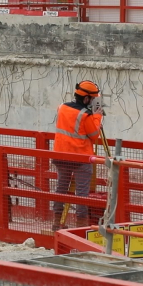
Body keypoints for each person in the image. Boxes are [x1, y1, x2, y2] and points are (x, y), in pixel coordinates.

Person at [51, 80, 104, 231]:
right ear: (87, 99)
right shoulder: (86, 115)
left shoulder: (62, 107)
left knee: (61, 190)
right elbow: (94, 135)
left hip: (60, 155)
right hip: (80, 157)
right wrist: (97, 116)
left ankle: (56, 223)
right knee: (81, 194)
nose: (94, 102)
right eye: (93, 99)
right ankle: (81, 228)